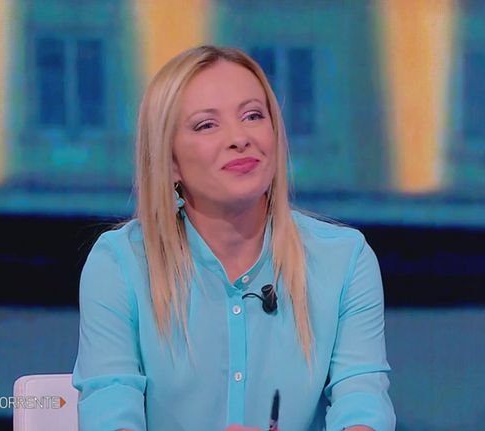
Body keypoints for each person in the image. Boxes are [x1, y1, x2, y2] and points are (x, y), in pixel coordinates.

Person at [72, 45, 395, 431]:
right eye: (207, 125)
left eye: (253, 116)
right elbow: (110, 411)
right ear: (170, 161)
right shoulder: (120, 264)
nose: (239, 138)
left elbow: (362, 404)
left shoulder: (343, 261)